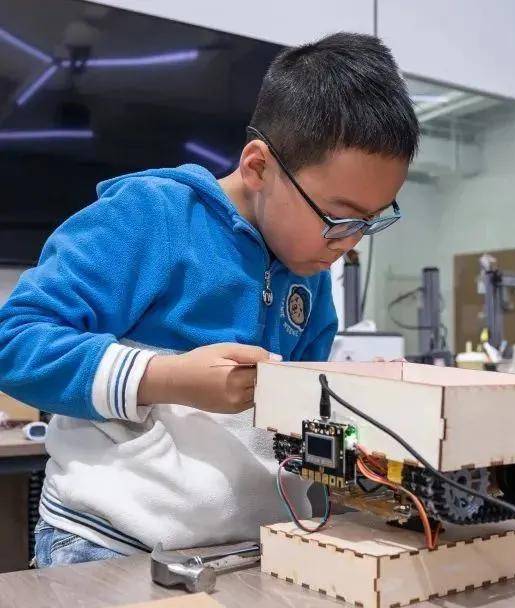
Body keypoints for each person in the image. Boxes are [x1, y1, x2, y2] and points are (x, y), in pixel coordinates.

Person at [0, 32, 420, 566]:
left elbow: (296, 429)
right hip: (110, 543)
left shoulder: (307, 268)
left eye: (370, 221)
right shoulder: (148, 217)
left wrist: (352, 399)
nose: (350, 242)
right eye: (338, 217)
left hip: (251, 550)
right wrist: (168, 378)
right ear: (258, 167)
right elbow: (13, 343)